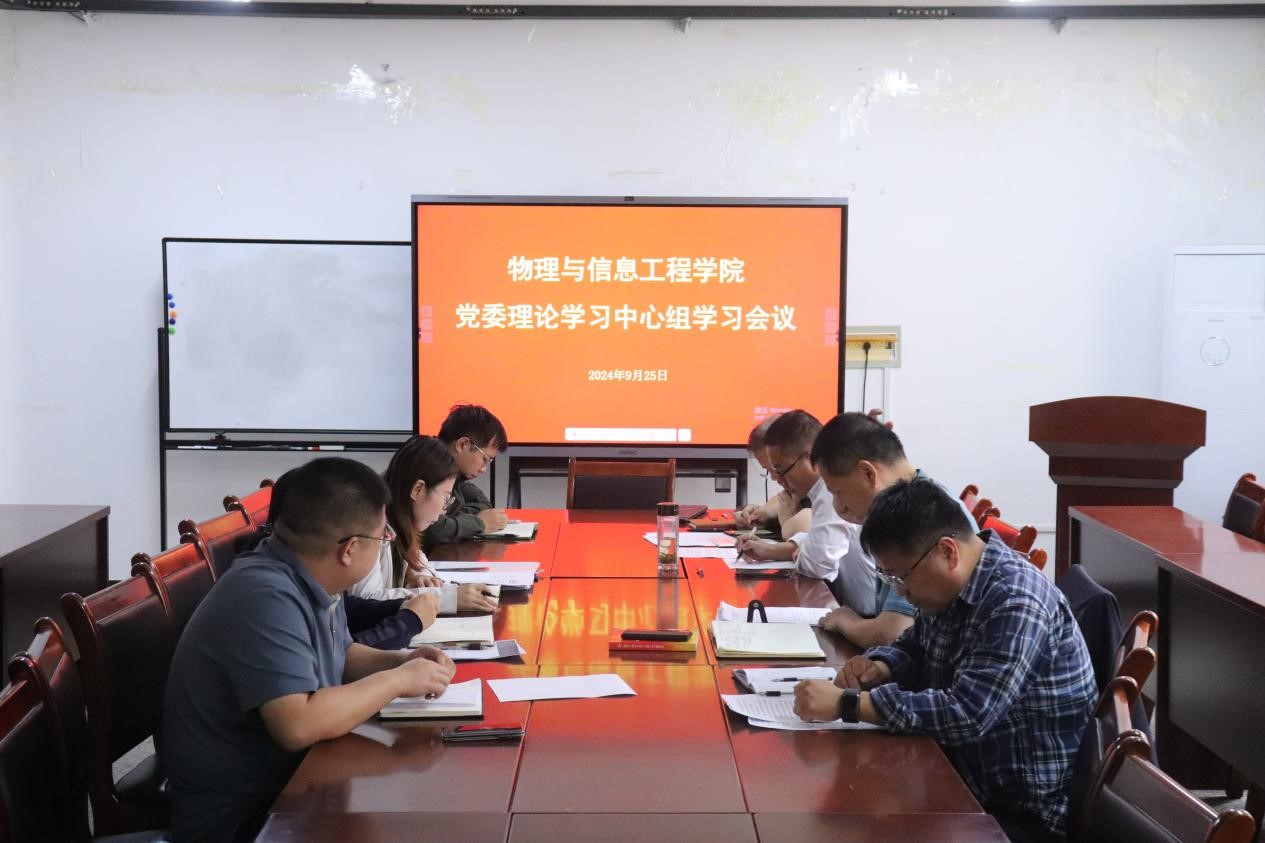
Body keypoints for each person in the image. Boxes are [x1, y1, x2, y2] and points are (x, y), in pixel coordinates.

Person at [165, 457, 457, 842]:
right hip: (246, 819)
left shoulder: (309, 573)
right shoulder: (264, 595)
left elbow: (342, 655)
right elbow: (297, 724)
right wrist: (397, 681)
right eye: (383, 538)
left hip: (296, 787)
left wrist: (402, 663)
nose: (385, 544)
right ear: (350, 549)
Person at [792, 479, 1096, 842]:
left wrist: (849, 704)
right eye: (889, 577)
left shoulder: (1015, 600)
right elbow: (916, 645)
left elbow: (969, 712)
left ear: (947, 552)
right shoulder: (954, 583)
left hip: (1018, 813)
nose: (901, 590)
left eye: (902, 576)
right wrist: (881, 666)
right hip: (960, 775)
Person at [809, 412, 977, 647]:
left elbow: (892, 634)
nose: (839, 506)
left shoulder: (918, 515)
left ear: (868, 474)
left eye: (837, 491)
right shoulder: (918, 499)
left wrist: (845, 621)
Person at [734, 409, 876, 616]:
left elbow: (817, 562)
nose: (778, 479)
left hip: (866, 616)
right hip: (849, 609)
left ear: (810, 458)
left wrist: (802, 550)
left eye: (780, 470)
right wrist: (770, 550)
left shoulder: (833, 489)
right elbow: (817, 542)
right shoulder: (820, 489)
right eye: (772, 471)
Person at [349, 435, 498, 620]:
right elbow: (367, 600)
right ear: (418, 489)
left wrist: (421, 577)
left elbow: (420, 562)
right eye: (445, 498)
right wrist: (448, 598)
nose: (444, 511)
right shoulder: (371, 528)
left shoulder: (404, 525)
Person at [422, 404, 510, 550]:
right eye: (485, 459)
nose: (484, 469)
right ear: (462, 444)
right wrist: (479, 523)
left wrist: (454, 521)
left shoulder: (454, 474)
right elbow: (432, 528)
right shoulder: (425, 467)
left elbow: (483, 503)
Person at [733, 415, 812, 539]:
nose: (776, 479)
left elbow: (805, 533)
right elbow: (784, 498)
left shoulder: (829, 492)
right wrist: (759, 513)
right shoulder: (800, 489)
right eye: (769, 470)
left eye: (779, 469)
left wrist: (787, 523)